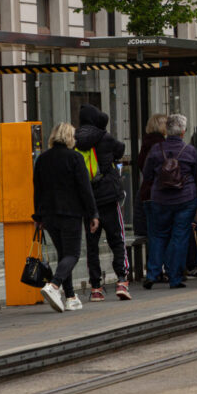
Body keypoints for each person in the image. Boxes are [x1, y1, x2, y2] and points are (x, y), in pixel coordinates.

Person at [33, 122, 99, 313]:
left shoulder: (42, 159)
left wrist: (38, 215)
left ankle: (70, 297)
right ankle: (54, 286)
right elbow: (85, 188)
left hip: (49, 214)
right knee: (73, 254)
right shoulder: (75, 158)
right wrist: (93, 213)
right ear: (71, 138)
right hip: (70, 213)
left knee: (63, 254)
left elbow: (37, 189)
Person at [74, 105, 130, 302]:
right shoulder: (104, 137)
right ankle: (122, 280)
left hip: (88, 201)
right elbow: (121, 149)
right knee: (117, 239)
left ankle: (96, 287)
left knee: (92, 246)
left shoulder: (75, 140)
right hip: (108, 198)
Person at [142, 114, 197, 289]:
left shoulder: (156, 149)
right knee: (180, 237)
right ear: (183, 131)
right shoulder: (190, 150)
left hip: (160, 198)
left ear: (167, 130)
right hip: (185, 198)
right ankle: (175, 278)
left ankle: (152, 274)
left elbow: (147, 174)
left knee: (158, 236)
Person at [134, 113, 167, 280]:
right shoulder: (161, 144)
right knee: (162, 233)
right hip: (159, 194)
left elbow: (142, 167)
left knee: (154, 233)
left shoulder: (145, 144)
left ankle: (154, 270)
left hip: (146, 193)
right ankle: (159, 269)